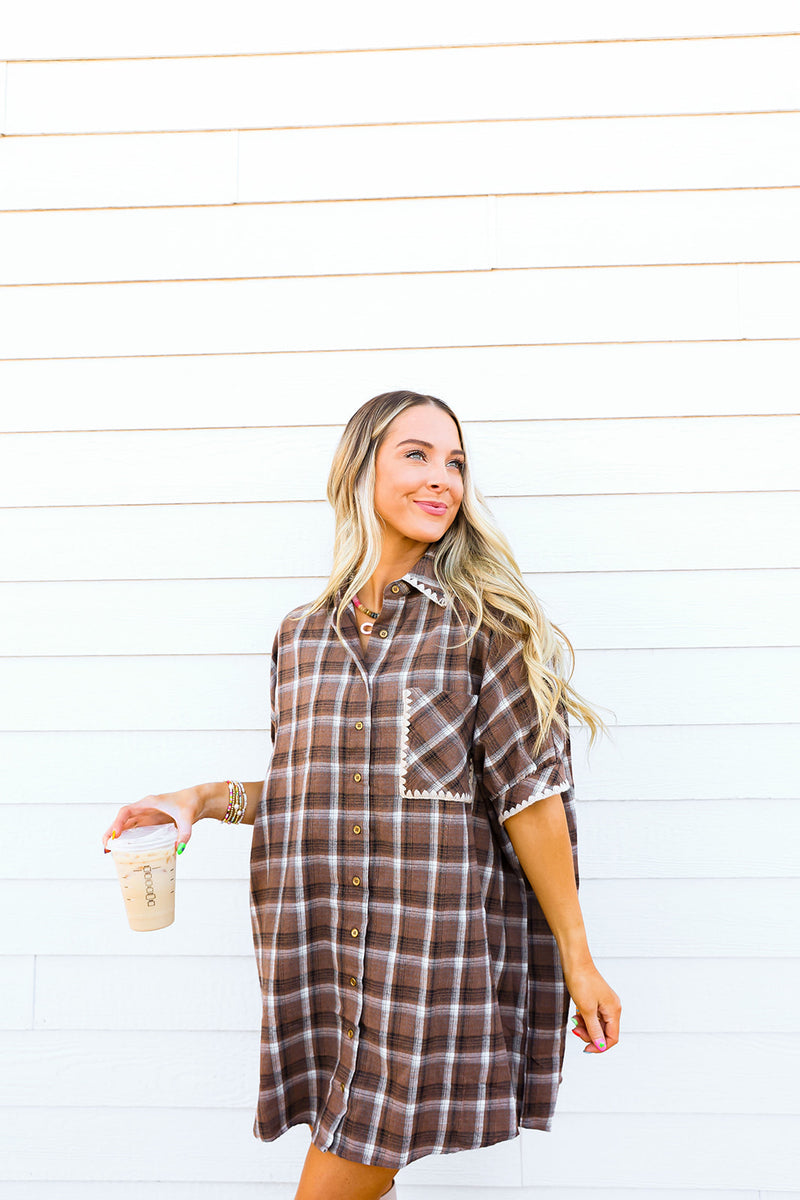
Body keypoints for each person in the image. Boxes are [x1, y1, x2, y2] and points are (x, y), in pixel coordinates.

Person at [102, 391, 621, 1200]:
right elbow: (317, 790)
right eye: (416, 454)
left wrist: (580, 962)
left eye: (455, 462)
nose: (442, 478)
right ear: (358, 468)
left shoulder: (488, 628)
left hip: (424, 958)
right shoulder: (300, 637)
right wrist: (197, 800)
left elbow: (531, 797)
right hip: (322, 955)